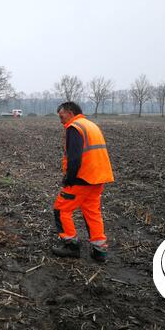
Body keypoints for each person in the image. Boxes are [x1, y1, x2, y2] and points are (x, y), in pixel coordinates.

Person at [51, 102, 114, 262]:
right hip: (97, 179)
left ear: (70, 112)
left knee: (61, 209)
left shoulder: (74, 127)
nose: (61, 120)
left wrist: (69, 179)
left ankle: (71, 245)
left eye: (61, 116)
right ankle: (100, 251)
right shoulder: (90, 125)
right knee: (92, 213)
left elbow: (74, 157)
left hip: (81, 179)